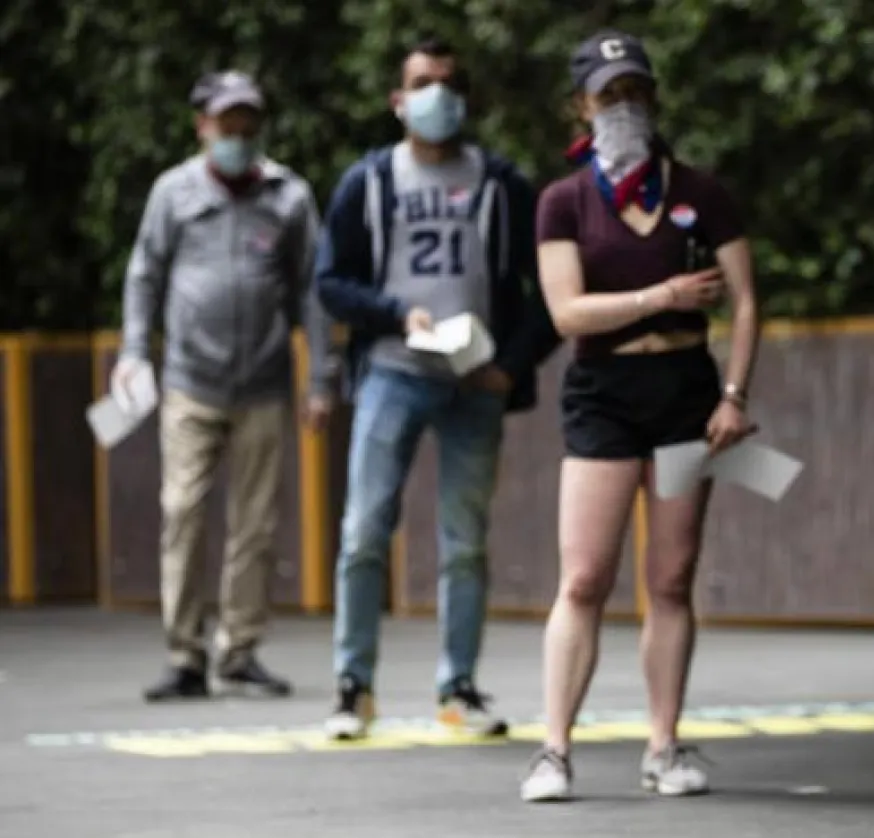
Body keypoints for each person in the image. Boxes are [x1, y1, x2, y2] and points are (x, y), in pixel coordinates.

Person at [519, 30, 760, 802]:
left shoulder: (700, 191)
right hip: (604, 396)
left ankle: (664, 744)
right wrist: (660, 297)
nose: (623, 106)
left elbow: (746, 304)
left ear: (654, 98)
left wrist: (733, 397)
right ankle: (554, 750)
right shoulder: (564, 201)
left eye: (634, 92)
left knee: (672, 576)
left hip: (688, 394)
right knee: (585, 575)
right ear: (581, 107)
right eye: (608, 95)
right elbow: (567, 313)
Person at [313, 38, 559, 740]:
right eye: (422, 82)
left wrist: (512, 364)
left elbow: (548, 288)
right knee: (363, 531)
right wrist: (396, 314)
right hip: (394, 372)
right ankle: (354, 687)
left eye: (448, 83)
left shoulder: (500, 184)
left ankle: (458, 687)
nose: (436, 96)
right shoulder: (369, 182)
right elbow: (330, 282)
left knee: (465, 540)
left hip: (474, 381)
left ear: (465, 99)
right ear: (398, 100)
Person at [118, 70, 338, 703]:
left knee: (255, 524)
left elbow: (312, 291)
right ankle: (184, 653)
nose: (238, 133)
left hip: (263, 383)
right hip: (191, 381)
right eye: (227, 123)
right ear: (203, 127)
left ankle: (238, 653)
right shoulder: (174, 192)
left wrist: (320, 378)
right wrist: (134, 350)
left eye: (248, 122)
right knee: (182, 510)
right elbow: (144, 274)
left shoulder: (288, 195)